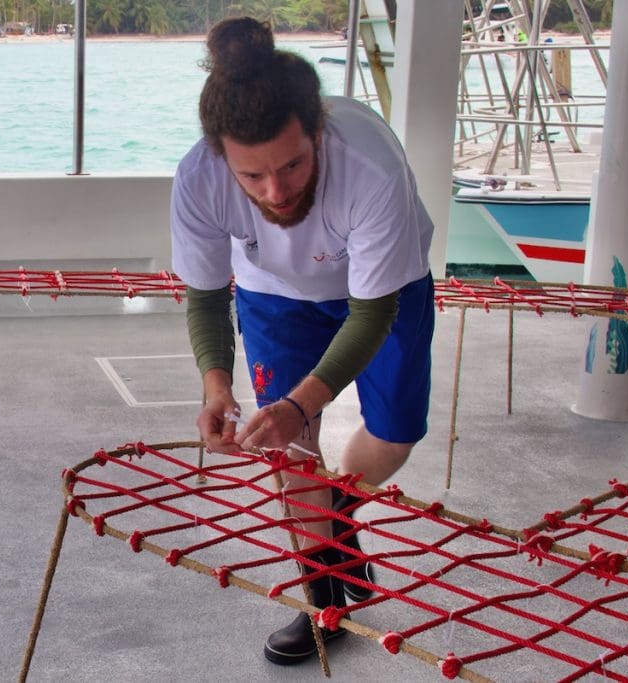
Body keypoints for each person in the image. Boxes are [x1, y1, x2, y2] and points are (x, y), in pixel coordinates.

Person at [169, 17, 435, 666]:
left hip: (383, 289)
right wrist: (214, 386)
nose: (277, 191)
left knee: (396, 433)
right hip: (273, 294)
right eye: (251, 176)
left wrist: (303, 398)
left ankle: (337, 516)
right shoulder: (198, 177)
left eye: (292, 164)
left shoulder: (368, 166)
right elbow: (206, 294)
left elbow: (370, 317)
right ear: (221, 157)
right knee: (290, 452)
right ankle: (323, 601)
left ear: (318, 130)